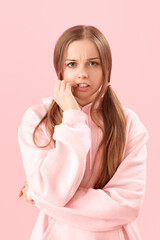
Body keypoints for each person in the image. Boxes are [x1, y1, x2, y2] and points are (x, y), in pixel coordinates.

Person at [17, 25, 149, 240]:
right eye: (72, 64)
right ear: (60, 69)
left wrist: (37, 194)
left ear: (107, 68)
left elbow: (127, 205)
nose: (82, 74)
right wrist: (72, 117)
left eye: (93, 63)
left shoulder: (128, 123)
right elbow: (55, 192)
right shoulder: (37, 120)